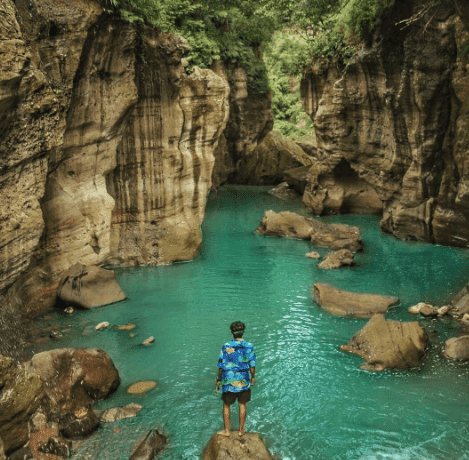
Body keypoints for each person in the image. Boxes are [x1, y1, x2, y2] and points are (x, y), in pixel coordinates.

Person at [215, 321, 256, 437]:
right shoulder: (249, 346)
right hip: (243, 380)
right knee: (242, 404)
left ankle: (227, 431)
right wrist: (253, 377)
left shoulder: (226, 346)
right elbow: (252, 366)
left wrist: (218, 379)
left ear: (232, 332)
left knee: (227, 405)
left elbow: (221, 365)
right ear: (243, 332)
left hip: (228, 380)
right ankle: (241, 431)